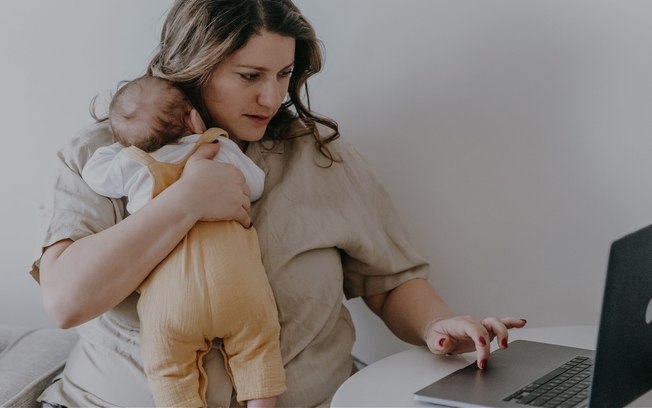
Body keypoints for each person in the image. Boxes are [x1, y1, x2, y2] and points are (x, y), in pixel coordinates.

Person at [33, 0, 527, 406]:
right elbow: (66, 301)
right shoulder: (101, 157)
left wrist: (436, 325)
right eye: (250, 76)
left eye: (283, 75)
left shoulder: (319, 157)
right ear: (194, 67)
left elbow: (389, 279)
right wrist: (186, 200)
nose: (271, 97)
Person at [80, 75, 285, 407]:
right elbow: (255, 185)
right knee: (258, 347)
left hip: (171, 301)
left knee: (168, 369)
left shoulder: (133, 165)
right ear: (194, 118)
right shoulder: (217, 147)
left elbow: (94, 173)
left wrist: (126, 145)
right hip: (236, 285)